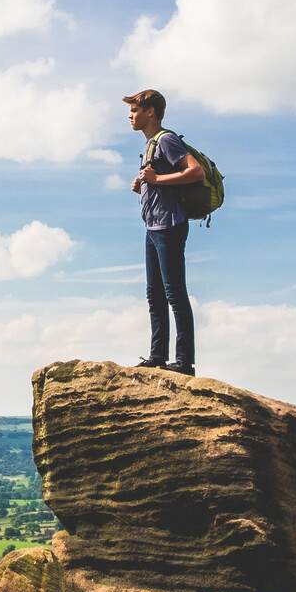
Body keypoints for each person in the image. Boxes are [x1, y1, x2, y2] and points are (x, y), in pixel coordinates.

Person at [125, 88, 206, 376]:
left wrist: (156, 178)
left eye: (135, 110)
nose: (130, 115)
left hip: (169, 226)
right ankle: (157, 355)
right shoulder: (150, 145)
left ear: (151, 112)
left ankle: (184, 362)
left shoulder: (166, 140)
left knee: (174, 294)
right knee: (154, 295)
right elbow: (158, 181)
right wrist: (144, 184)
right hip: (153, 226)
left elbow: (196, 172)